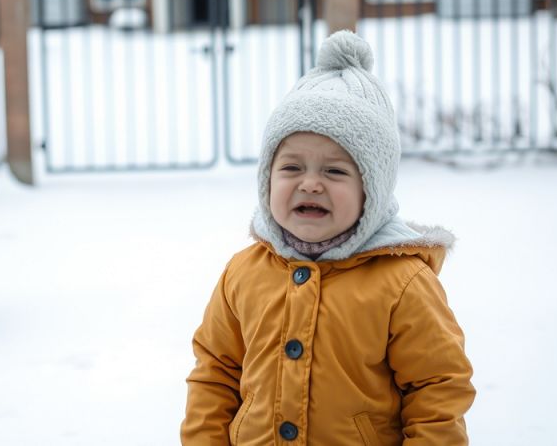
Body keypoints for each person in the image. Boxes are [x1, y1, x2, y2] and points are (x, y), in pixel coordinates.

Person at [181, 31, 475, 444]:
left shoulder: (402, 284)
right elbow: (215, 373)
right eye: (291, 168)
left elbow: (438, 389)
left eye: (335, 171)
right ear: (267, 178)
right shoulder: (242, 274)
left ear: (370, 190)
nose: (310, 184)